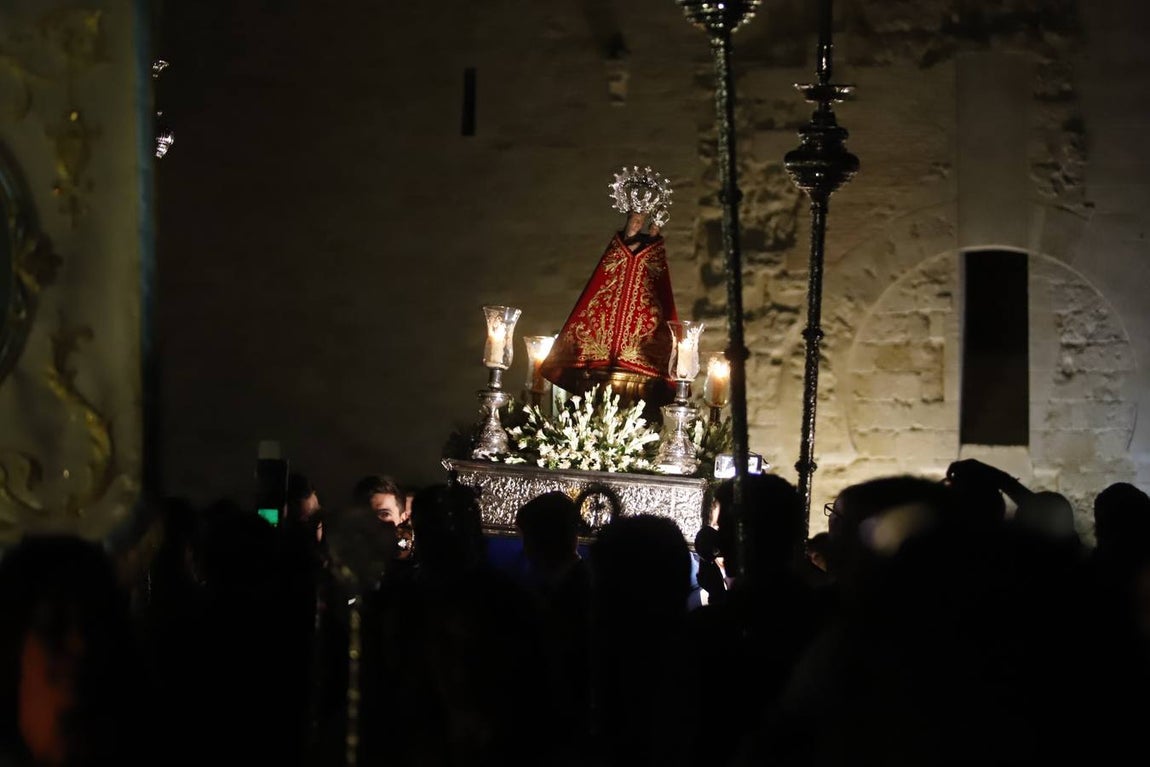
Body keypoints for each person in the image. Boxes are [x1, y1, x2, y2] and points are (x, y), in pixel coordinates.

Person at [540, 166, 679, 410]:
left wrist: (653, 235)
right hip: (598, 370)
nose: (638, 222)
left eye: (641, 219)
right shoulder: (616, 257)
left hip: (638, 376)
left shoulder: (651, 259)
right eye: (634, 219)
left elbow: (656, 284)